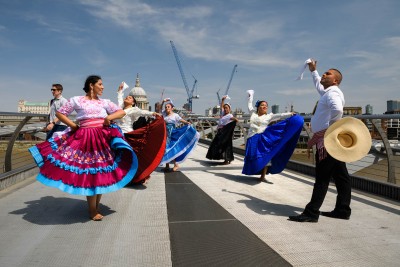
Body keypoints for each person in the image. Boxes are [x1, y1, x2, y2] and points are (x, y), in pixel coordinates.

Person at [28, 75, 138, 221]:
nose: (103, 87)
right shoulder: (76, 100)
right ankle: (92, 210)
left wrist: (108, 118)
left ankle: (95, 207)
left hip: (101, 139)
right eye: (100, 84)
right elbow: (60, 113)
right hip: (85, 139)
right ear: (91, 85)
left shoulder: (104, 102)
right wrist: (73, 125)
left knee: (100, 171)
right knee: (90, 171)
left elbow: (121, 111)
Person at [289, 60, 351, 223]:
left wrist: (329, 130)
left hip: (327, 141)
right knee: (341, 176)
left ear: (335, 80)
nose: (324, 74)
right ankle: (342, 210)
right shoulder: (329, 92)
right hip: (331, 139)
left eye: (327, 74)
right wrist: (313, 71)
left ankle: (311, 212)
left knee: (322, 177)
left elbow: (337, 110)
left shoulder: (332, 93)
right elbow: (319, 85)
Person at [242, 90, 303, 181]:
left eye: (266, 106)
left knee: (264, 155)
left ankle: (263, 176)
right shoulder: (253, 113)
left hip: (262, 138)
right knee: (252, 155)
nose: (264, 107)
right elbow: (249, 105)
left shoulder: (269, 116)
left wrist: (290, 114)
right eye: (262, 105)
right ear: (258, 107)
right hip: (252, 137)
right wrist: (250, 96)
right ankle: (255, 170)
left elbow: (280, 115)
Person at [115, 83, 166, 184]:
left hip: (127, 135)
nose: (127, 97)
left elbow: (143, 112)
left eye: (129, 97)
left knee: (128, 157)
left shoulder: (134, 109)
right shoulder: (120, 107)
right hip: (118, 134)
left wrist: (153, 113)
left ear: (133, 102)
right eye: (127, 96)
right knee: (118, 157)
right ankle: (121, 175)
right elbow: (120, 99)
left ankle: (134, 176)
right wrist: (120, 91)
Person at [160, 98, 200, 172]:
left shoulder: (175, 115)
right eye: (165, 107)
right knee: (166, 148)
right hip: (165, 132)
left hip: (173, 132)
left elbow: (180, 120)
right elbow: (159, 109)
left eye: (168, 107)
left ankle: (176, 164)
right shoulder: (164, 114)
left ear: (172, 108)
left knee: (172, 147)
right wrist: (163, 102)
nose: (166, 108)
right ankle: (167, 165)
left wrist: (186, 123)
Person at [206, 95, 238, 164]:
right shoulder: (223, 114)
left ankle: (227, 160)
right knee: (221, 144)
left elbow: (234, 119)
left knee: (225, 145)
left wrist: (236, 120)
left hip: (225, 133)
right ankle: (227, 159)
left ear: (229, 109)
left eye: (227, 108)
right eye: (225, 108)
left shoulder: (230, 115)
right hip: (221, 132)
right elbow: (222, 107)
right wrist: (223, 100)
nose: (225, 109)